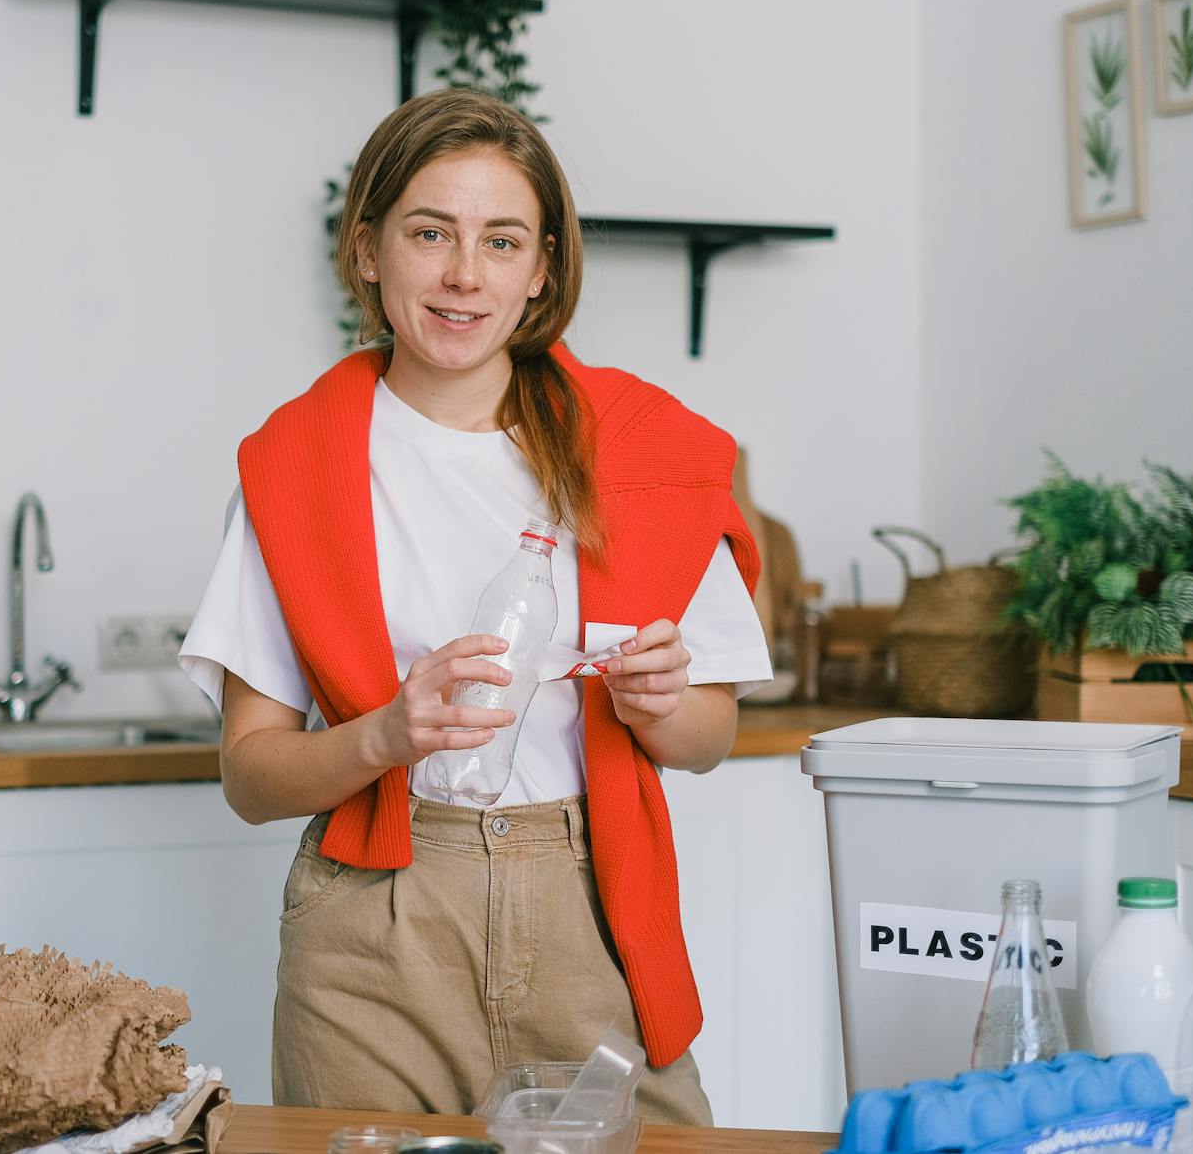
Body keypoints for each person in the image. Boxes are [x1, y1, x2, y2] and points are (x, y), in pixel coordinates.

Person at [178, 86, 771, 1124]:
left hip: (591, 906)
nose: (463, 273)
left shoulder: (643, 452)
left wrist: (656, 703)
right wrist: (384, 734)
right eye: (427, 233)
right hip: (373, 930)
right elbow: (249, 774)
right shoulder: (295, 468)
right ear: (367, 250)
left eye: (501, 241)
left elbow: (707, 736)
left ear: (541, 269)